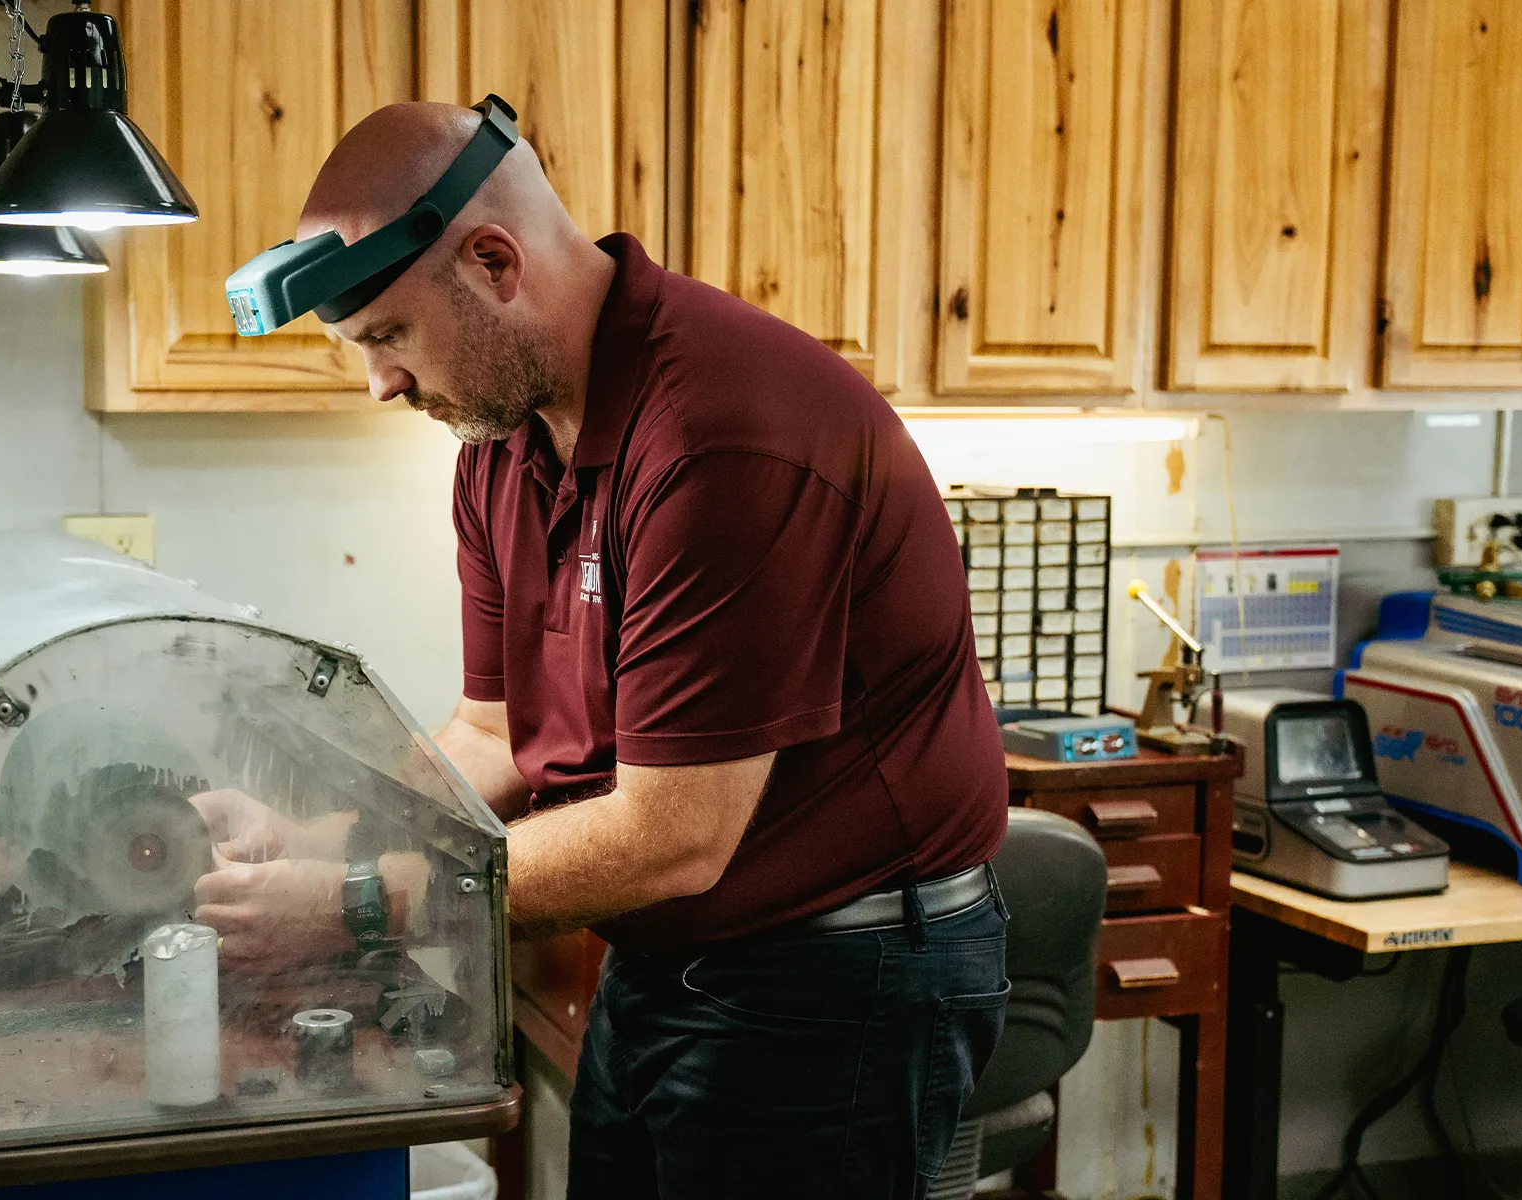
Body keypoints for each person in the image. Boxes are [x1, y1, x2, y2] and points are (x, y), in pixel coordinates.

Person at [194, 100, 1012, 1199]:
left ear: (493, 261)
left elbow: (672, 837)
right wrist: (322, 832)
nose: (381, 383)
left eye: (387, 335)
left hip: (839, 977)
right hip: (668, 955)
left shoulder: (722, 434)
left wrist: (348, 899)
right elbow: (495, 737)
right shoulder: (502, 437)